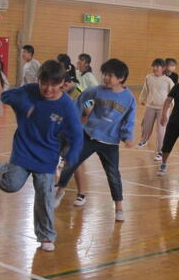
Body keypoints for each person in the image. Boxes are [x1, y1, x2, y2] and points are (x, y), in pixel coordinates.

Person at [0, 60, 83, 251]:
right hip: (24, 149)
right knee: (11, 184)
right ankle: (0, 171)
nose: (48, 89)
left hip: (47, 156)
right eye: (44, 83)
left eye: (54, 84)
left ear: (62, 83)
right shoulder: (28, 91)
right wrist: (24, 104)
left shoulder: (67, 106)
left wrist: (72, 156)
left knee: (44, 195)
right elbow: (4, 96)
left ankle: (46, 236)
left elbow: (76, 134)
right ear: (38, 80)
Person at [53, 58, 136, 221]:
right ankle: (59, 192)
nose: (106, 78)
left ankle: (119, 207)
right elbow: (81, 100)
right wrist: (74, 120)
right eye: (105, 74)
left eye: (110, 75)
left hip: (110, 142)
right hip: (89, 135)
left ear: (120, 78)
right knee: (71, 162)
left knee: (113, 175)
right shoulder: (97, 91)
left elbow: (130, 119)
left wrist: (127, 135)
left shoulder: (128, 98)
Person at [137, 58, 172, 161]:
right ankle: (144, 140)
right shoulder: (148, 78)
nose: (155, 68)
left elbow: (172, 94)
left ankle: (160, 152)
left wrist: (170, 105)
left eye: (157, 66)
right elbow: (145, 89)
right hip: (151, 106)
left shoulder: (168, 81)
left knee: (161, 131)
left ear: (163, 68)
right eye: (153, 66)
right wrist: (143, 99)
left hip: (163, 108)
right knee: (146, 125)